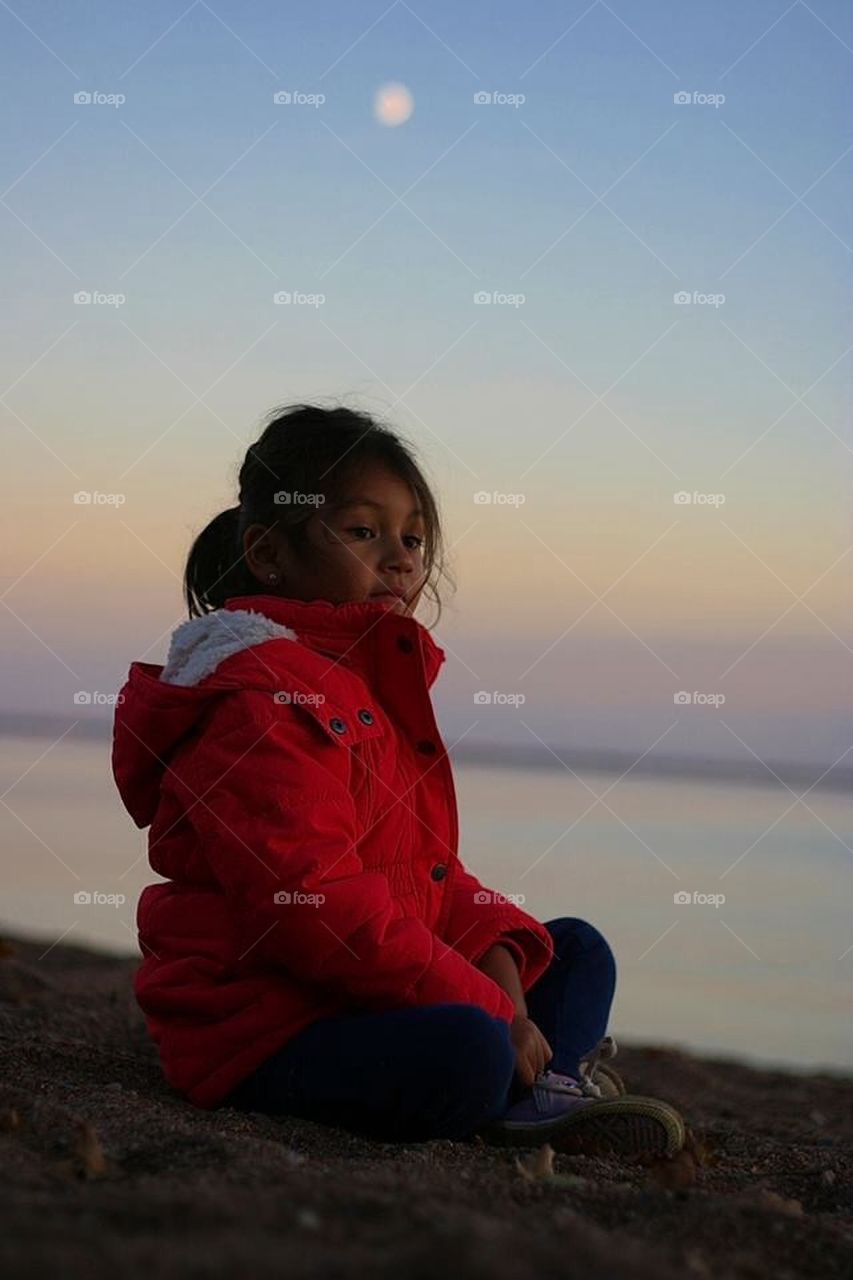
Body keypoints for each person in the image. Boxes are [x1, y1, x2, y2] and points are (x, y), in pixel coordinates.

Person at [112, 402, 685, 1156]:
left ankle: (543, 1086)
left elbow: (424, 876)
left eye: (412, 536)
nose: (401, 558)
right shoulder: (261, 702)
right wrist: (490, 1010)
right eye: (362, 531)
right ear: (267, 551)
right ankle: (530, 1086)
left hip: (363, 989)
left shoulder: (369, 693)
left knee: (571, 949)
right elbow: (313, 910)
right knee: (468, 1051)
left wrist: (498, 960)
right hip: (268, 1022)